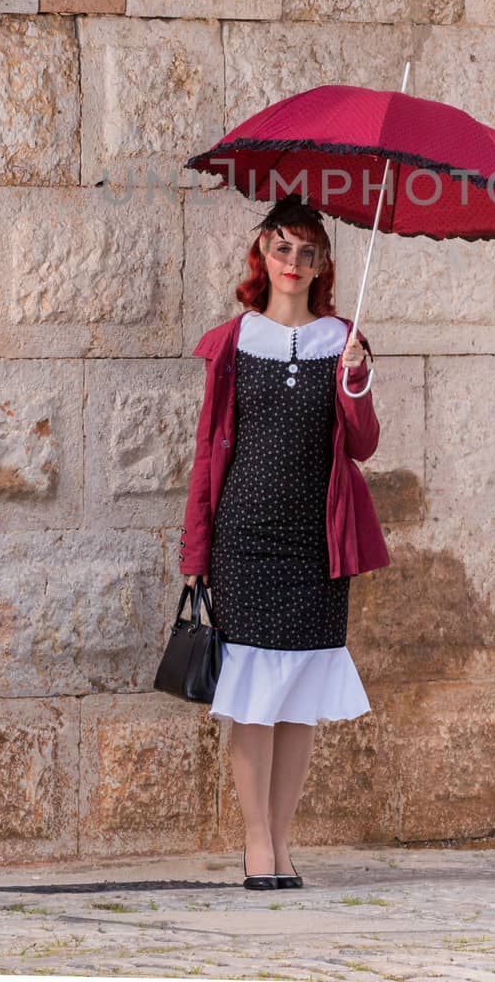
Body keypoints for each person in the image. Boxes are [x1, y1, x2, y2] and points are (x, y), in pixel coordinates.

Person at [182, 196, 382, 891]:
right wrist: (195, 553)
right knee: (253, 694)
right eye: (280, 249)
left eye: (306, 252)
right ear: (260, 256)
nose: (292, 264)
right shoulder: (231, 342)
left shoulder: (343, 340)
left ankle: (284, 842)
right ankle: (256, 843)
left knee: (297, 695)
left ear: (323, 262)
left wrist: (353, 381)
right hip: (245, 536)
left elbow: (362, 444)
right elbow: (209, 454)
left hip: (316, 540)